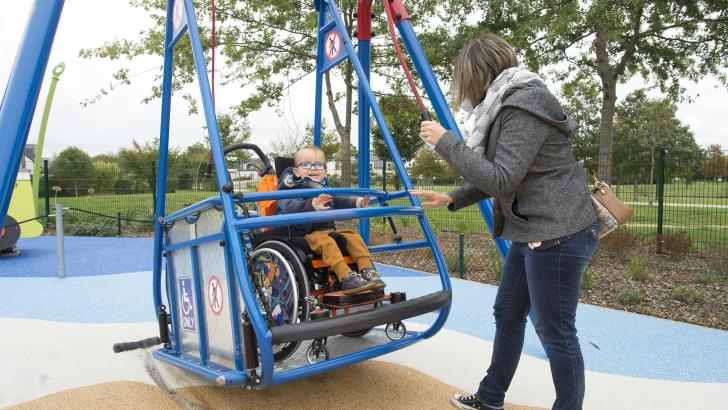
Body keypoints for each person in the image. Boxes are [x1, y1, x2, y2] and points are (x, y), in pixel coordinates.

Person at [412, 34, 599, 410]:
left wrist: (446, 142)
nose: (462, 91)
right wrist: (452, 197)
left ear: (479, 74)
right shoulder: (504, 107)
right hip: (531, 230)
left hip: (559, 232)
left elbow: (502, 178)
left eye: (463, 80)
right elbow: (499, 175)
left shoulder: (524, 104)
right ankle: (491, 397)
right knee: (507, 313)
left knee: (555, 331)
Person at [277, 145, 386, 295]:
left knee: (352, 236)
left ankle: (368, 270)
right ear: (295, 171)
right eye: (306, 164)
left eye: (318, 164)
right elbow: (291, 207)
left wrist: (358, 203)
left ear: (325, 170)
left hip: (327, 232)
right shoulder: (291, 190)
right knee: (328, 242)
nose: (313, 168)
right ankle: (346, 277)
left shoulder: (324, 190)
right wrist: (312, 204)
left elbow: (340, 201)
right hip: (304, 236)